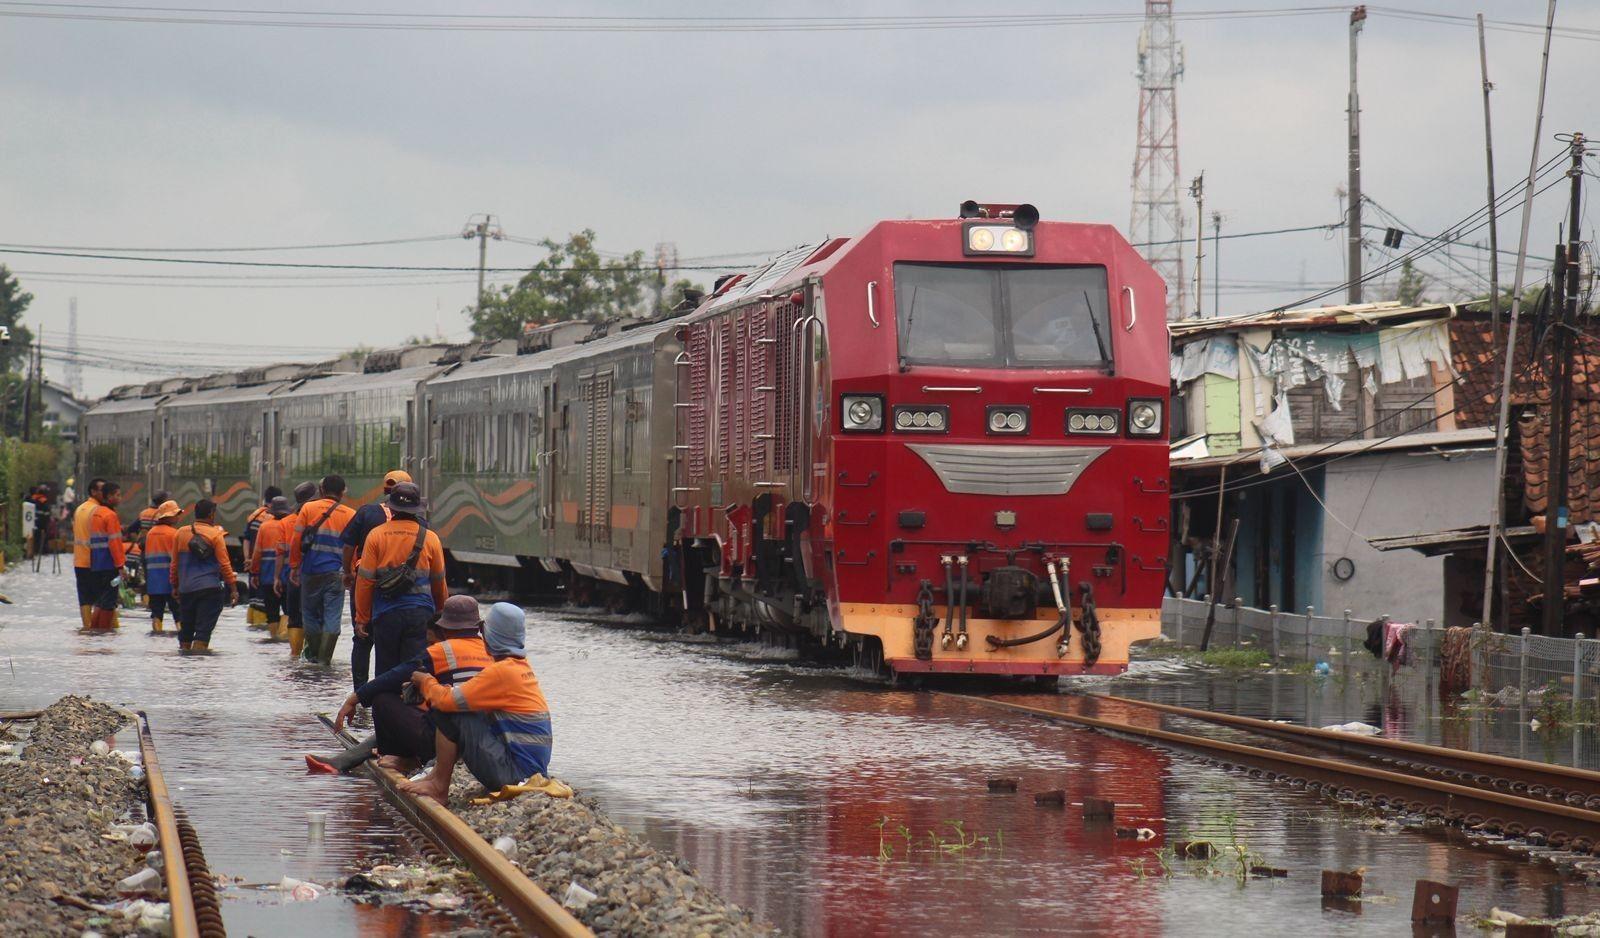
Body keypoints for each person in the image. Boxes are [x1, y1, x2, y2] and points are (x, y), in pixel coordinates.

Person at [308, 594, 491, 775]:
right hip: (485, 741)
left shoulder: (441, 651)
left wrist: (354, 698)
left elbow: (394, 676)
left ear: (444, 628)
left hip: (447, 742)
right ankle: (344, 761)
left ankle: (402, 758)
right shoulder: (491, 651)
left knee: (383, 699)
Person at [399, 603, 552, 803]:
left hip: (514, 776)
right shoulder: (519, 667)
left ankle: (438, 786)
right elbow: (464, 697)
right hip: (530, 773)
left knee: (448, 710)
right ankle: (434, 777)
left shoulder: (502, 672)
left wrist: (425, 682)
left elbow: (447, 701)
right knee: (460, 705)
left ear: (489, 635)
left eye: (483, 630)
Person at [355, 481, 447, 682]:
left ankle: (384, 709)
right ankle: (411, 710)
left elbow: (365, 581)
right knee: (415, 670)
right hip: (420, 615)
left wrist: (362, 618)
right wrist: (441, 613)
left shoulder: (376, 536)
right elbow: (439, 580)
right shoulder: (430, 538)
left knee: (386, 672)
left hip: (386, 614)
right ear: (417, 509)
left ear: (391, 508)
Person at [343, 469, 411, 689]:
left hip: (364, 583)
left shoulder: (366, 513)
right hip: (400, 588)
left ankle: (361, 694)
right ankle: (388, 693)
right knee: (390, 641)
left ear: (384, 490)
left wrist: (347, 572)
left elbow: (348, 545)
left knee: (362, 638)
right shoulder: (419, 523)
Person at [288, 474, 355, 665]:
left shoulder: (308, 508)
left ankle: (315, 658)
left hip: (311, 571)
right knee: (333, 615)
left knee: (309, 614)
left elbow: (296, 540)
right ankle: (325, 661)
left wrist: (294, 566)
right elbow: (353, 547)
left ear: (322, 490)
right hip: (337, 573)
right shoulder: (350, 514)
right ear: (343, 492)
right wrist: (350, 572)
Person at [172, 499, 238, 652]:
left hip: (186, 590)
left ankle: (185, 667)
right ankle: (199, 666)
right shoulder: (215, 534)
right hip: (209, 590)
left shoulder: (180, 533)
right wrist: (233, 588)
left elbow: (174, 565)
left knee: (186, 633)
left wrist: (175, 585)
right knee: (203, 633)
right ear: (211, 514)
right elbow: (224, 565)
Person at [281, 481, 317, 659]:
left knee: (294, 616)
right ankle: (312, 655)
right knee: (314, 615)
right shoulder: (319, 518)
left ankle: (294, 654)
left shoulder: (285, 522)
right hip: (314, 573)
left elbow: (281, 552)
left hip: (292, 575)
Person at [249, 496, 293, 643]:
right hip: (289, 577)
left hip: (267, 577)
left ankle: (274, 639)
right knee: (289, 609)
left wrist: (254, 573)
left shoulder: (264, 527)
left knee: (271, 612)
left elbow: (257, 553)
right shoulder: (291, 524)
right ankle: (287, 639)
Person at [86, 482, 127, 630]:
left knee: (100, 602)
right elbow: (115, 543)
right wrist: (121, 566)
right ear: (109, 497)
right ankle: (103, 634)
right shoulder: (110, 516)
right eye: (117, 495)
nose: (120, 498)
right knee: (109, 603)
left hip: (96, 564)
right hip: (109, 565)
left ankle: (94, 632)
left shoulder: (96, 513)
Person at [142, 500, 184, 634]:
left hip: (154, 582)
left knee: (156, 613)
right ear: (168, 516)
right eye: (176, 514)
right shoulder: (174, 533)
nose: (178, 517)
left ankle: (156, 638)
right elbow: (178, 560)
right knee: (178, 613)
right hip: (170, 582)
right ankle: (183, 639)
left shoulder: (150, 533)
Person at [71, 478, 107, 629]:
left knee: (84, 598)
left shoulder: (80, 509)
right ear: (93, 491)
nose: (105, 493)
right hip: (95, 562)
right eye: (102, 490)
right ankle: (100, 631)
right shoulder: (98, 511)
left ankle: (86, 628)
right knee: (103, 599)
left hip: (79, 561)